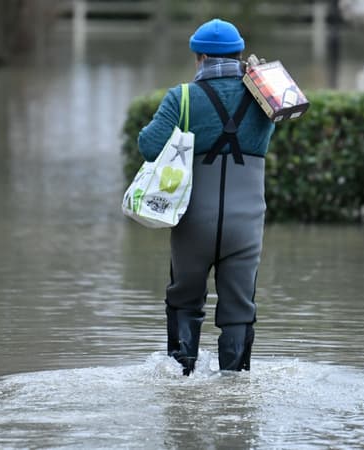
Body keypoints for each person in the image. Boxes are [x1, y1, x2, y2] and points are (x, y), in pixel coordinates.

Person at [137, 18, 275, 375]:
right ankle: (234, 386)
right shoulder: (264, 97)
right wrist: (261, 78)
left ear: (199, 57)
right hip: (245, 228)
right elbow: (289, 106)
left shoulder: (182, 97)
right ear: (240, 54)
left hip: (192, 223)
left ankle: (181, 380)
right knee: (239, 310)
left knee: (183, 300)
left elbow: (149, 147)